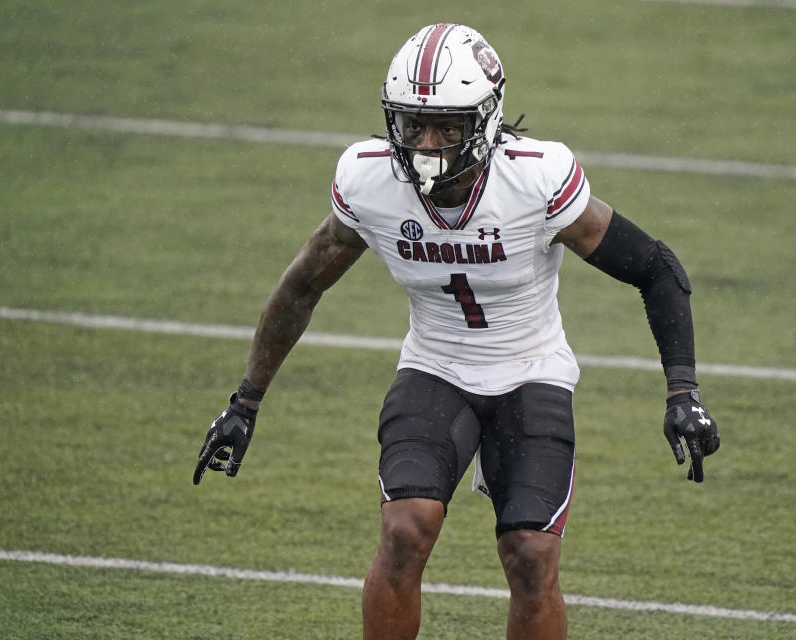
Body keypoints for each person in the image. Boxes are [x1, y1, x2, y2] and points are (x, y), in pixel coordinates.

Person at [193, 23, 720, 640]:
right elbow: (302, 284)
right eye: (413, 124)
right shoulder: (370, 183)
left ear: (487, 120)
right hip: (435, 366)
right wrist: (244, 402)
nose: (427, 143)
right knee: (403, 529)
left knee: (532, 556)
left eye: (448, 126)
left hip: (531, 369)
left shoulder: (536, 180)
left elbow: (657, 269)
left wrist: (682, 391)